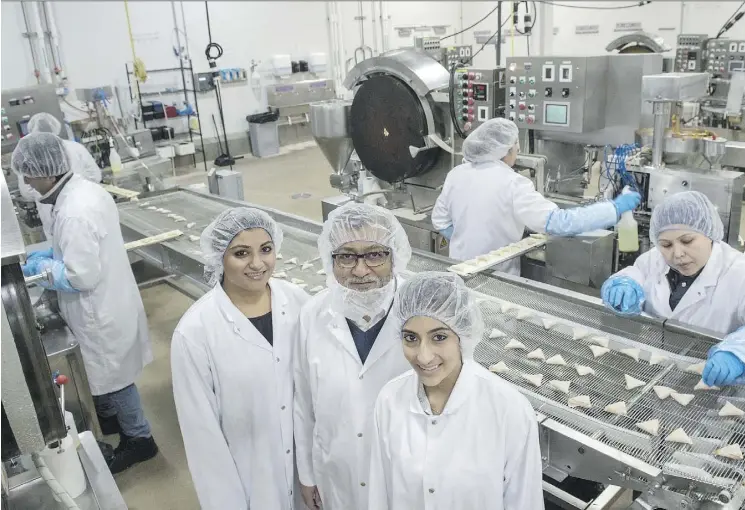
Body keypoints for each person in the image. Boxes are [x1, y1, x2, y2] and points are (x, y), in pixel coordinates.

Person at [14, 132, 156, 473]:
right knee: (111, 377)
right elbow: (83, 252)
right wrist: (53, 254)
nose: (28, 183)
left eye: (29, 175)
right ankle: (115, 424)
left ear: (46, 171)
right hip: (110, 300)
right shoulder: (82, 191)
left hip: (99, 310)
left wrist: (41, 267)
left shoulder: (74, 211)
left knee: (115, 380)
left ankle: (140, 441)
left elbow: (80, 276)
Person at [368, 271, 544, 510]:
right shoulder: (389, 400)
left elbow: (525, 503)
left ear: (463, 335)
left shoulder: (508, 409)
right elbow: (380, 496)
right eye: (410, 338)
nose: (424, 355)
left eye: (439, 337)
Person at [171, 207, 309, 509]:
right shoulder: (195, 332)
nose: (257, 264)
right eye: (241, 253)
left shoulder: (299, 303)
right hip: (250, 484)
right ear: (219, 257)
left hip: (307, 475)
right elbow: (202, 435)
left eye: (266, 249)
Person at [294, 202, 413, 510]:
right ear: (330, 259)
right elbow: (303, 403)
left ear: (394, 255)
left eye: (374, 254)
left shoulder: (419, 309)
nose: (360, 271)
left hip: (406, 475)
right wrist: (307, 475)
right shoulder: (313, 314)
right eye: (347, 256)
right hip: (337, 473)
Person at [431, 118, 641, 274]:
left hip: (459, 270)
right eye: (515, 145)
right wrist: (614, 208)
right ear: (505, 150)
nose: (519, 149)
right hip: (496, 278)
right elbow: (559, 223)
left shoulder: (456, 174)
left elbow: (439, 221)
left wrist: (468, 244)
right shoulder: (512, 183)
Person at [601, 191, 745, 387]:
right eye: (666, 244)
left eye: (687, 241)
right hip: (651, 374)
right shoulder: (656, 258)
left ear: (709, 233)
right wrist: (623, 283)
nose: (677, 254)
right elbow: (638, 272)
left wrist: (737, 353)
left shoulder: (738, 272)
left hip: (711, 386)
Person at [17, 112, 102, 240]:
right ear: (55, 128)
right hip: (86, 211)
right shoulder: (75, 148)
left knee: (64, 249)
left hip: (52, 219)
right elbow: (95, 176)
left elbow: (26, 192)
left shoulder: (28, 155)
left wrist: (43, 193)